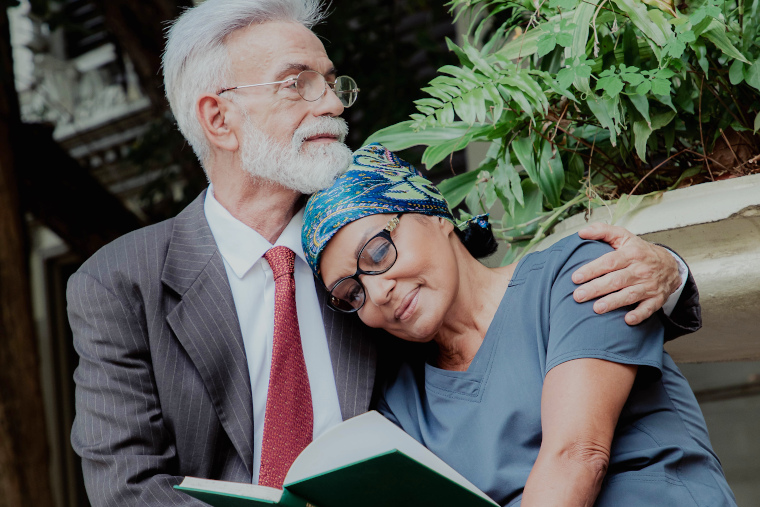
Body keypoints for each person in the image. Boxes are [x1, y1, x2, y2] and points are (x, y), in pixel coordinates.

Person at [67, 1, 697, 505]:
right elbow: (127, 488)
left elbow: (500, 302)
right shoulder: (119, 284)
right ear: (220, 119)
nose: (335, 103)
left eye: (333, 81)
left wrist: (670, 270)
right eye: (298, 84)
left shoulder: (356, 241)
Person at [301, 143, 736, 507]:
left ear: (433, 212)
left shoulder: (574, 276)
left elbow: (577, 455)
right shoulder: (401, 401)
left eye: (377, 253)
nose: (377, 294)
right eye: (351, 295)